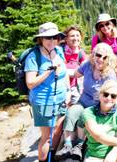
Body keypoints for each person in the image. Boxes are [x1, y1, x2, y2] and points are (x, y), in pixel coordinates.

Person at [55, 43, 117, 161]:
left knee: (84, 117)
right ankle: (67, 145)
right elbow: (74, 74)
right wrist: (60, 69)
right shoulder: (88, 65)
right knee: (72, 112)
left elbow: (112, 93)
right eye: (98, 55)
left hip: (97, 106)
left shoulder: (110, 74)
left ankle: (79, 145)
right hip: (83, 101)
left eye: (105, 57)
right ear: (93, 55)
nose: (100, 59)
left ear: (108, 59)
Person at [24, 22, 68, 162]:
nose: (51, 41)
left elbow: (65, 72)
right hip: (43, 101)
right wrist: (49, 71)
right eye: (48, 38)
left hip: (61, 98)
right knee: (46, 136)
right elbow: (30, 83)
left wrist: (67, 92)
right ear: (41, 39)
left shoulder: (59, 51)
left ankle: (52, 157)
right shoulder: (34, 56)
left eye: (54, 37)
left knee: (56, 132)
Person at [82, 80, 117, 162]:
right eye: (106, 94)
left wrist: (113, 153)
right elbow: (98, 136)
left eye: (113, 96)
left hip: (116, 153)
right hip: (94, 155)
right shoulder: (88, 112)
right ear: (100, 95)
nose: (109, 98)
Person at [63, 25, 87, 105]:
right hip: (60, 87)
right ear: (66, 39)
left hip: (75, 88)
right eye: (72, 36)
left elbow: (86, 70)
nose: (75, 38)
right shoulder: (60, 52)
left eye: (78, 35)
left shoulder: (81, 53)